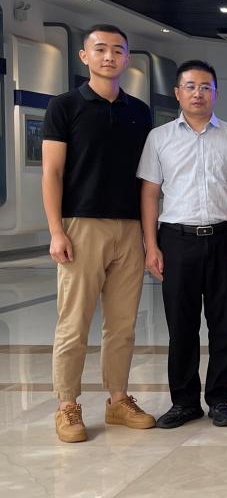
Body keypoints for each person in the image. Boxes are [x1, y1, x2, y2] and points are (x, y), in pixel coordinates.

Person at [42, 23, 156, 442]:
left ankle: (118, 400)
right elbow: (52, 173)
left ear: (126, 58)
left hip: (129, 227)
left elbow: (146, 178)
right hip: (81, 225)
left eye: (118, 50)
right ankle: (67, 405)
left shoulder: (138, 111)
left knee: (123, 323)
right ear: (84, 56)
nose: (110, 56)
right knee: (74, 322)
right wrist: (56, 230)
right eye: (101, 49)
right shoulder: (65, 106)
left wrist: (147, 237)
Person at [137, 59, 227, 429]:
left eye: (206, 87)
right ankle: (184, 402)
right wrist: (151, 246)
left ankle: (219, 399)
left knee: (224, 326)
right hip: (177, 240)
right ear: (177, 93)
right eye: (190, 86)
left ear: (216, 93)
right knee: (181, 326)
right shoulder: (159, 138)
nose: (198, 93)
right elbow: (150, 194)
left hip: (226, 239)